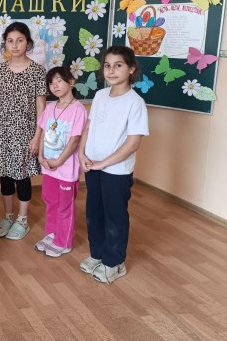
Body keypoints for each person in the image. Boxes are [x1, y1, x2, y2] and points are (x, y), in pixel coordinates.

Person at [79, 45, 149, 284]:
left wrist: (104, 163)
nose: (111, 70)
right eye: (107, 65)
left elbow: (133, 143)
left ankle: (114, 262)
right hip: (93, 166)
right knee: (94, 213)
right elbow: (88, 127)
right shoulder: (100, 95)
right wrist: (81, 153)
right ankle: (98, 254)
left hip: (116, 171)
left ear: (131, 69)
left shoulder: (135, 103)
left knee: (115, 216)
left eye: (118, 65)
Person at [0, 22, 47, 241]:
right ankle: (8, 216)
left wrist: (37, 136)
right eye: (10, 41)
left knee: (22, 176)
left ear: (28, 43)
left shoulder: (37, 71)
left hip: (26, 133)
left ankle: (22, 219)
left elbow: (41, 106)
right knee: (5, 175)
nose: (14, 45)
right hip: (2, 132)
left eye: (19, 40)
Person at [36, 66, 87, 257]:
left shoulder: (78, 110)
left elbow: (74, 140)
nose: (54, 85)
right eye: (51, 82)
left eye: (59, 80)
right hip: (48, 167)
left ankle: (63, 242)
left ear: (71, 82)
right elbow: (43, 133)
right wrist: (41, 157)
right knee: (51, 202)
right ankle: (52, 234)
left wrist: (59, 162)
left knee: (65, 206)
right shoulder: (50, 107)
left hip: (66, 170)